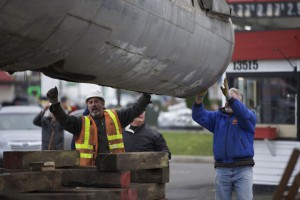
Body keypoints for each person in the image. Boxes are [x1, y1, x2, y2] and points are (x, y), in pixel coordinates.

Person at [46, 87, 151, 166]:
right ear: (87, 106)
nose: (93, 104)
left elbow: (134, 110)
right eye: (90, 102)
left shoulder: (116, 116)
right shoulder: (80, 122)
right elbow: (64, 120)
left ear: (103, 103)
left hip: (115, 168)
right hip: (90, 172)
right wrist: (54, 103)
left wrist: (145, 97)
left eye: (96, 101)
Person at [192, 78, 256, 200]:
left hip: (243, 170)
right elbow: (198, 115)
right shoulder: (217, 117)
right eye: (227, 98)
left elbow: (243, 114)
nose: (228, 101)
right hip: (222, 170)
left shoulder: (248, 117)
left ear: (240, 105)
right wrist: (199, 99)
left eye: (232, 100)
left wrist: (230, 97)